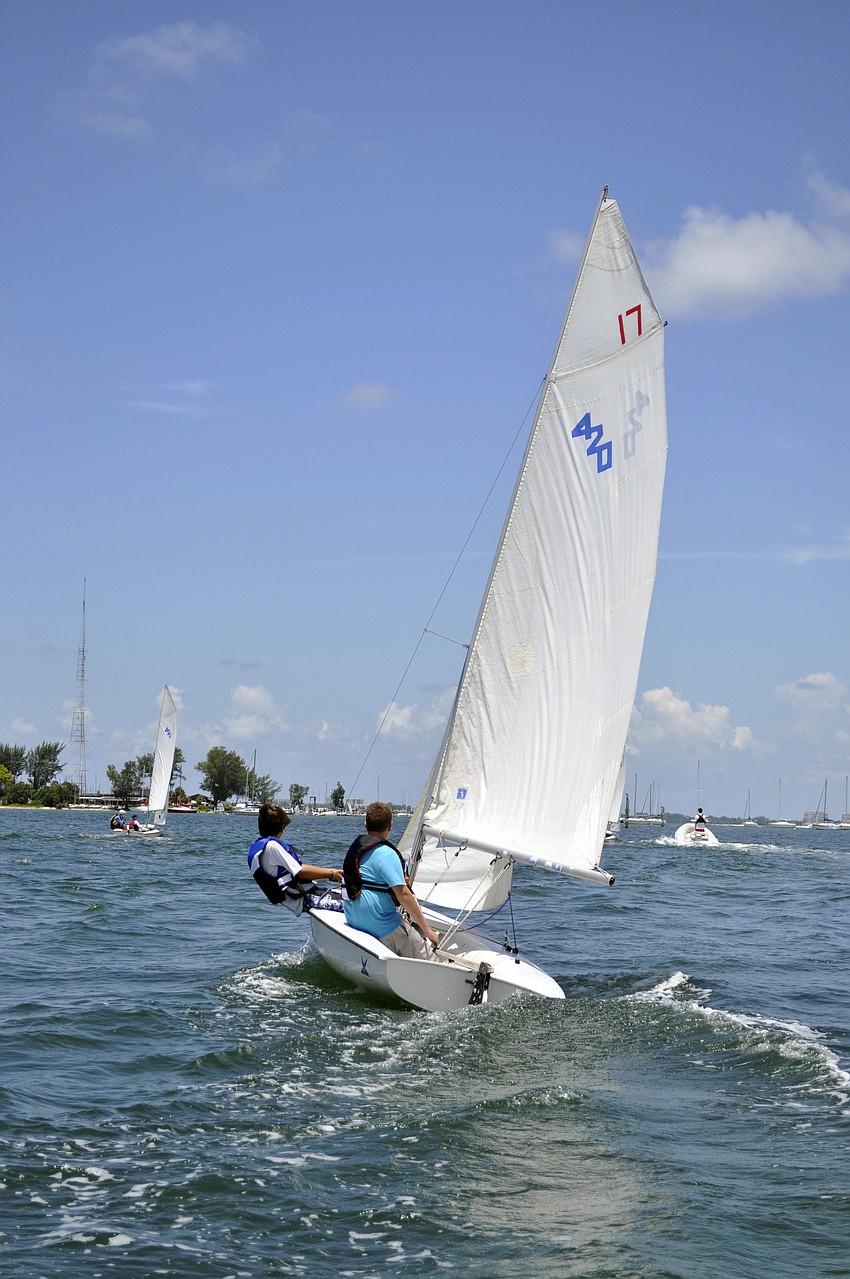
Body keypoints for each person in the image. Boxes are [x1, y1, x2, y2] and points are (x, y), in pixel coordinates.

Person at [342, 801, 440, 959]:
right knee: (431, 959)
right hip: (383, 926)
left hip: (354, 919)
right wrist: (428, 931)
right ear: (390, 826)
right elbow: (404, 895)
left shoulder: (356, 848)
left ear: (365, 824)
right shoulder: (386, 854)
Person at [248, 803, 342, 915]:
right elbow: (300, 872)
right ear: (281, 828)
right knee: (355, 902)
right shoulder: (273, 847)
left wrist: (334, 871)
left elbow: (297, 867)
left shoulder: (261, 847)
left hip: (304, 896)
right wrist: (331, 874)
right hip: (306, 899)